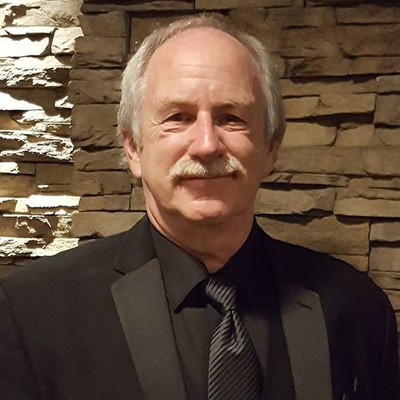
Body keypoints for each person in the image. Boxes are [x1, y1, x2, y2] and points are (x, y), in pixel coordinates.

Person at [0, 14, 398, 400]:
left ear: (270, 148)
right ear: (133, 148)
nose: (207, 145)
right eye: (178, 117)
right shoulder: (31, 313)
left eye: (231, 117)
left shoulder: (357, 310)